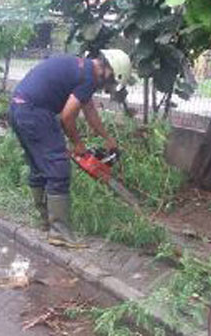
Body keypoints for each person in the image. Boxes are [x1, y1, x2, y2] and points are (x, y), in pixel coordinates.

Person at [8, 49, 132, 246]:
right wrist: (78, 144)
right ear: (109, 71)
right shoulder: (89, 78)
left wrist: (107, 138)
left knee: (39, 167)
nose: (108, 86)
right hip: (35, 113)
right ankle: (59, 231)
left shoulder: (82, 68)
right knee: (59, 168)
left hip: (18, 109)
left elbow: (89, 110)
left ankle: (45, 222)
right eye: (111, 81)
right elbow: (67, 116)